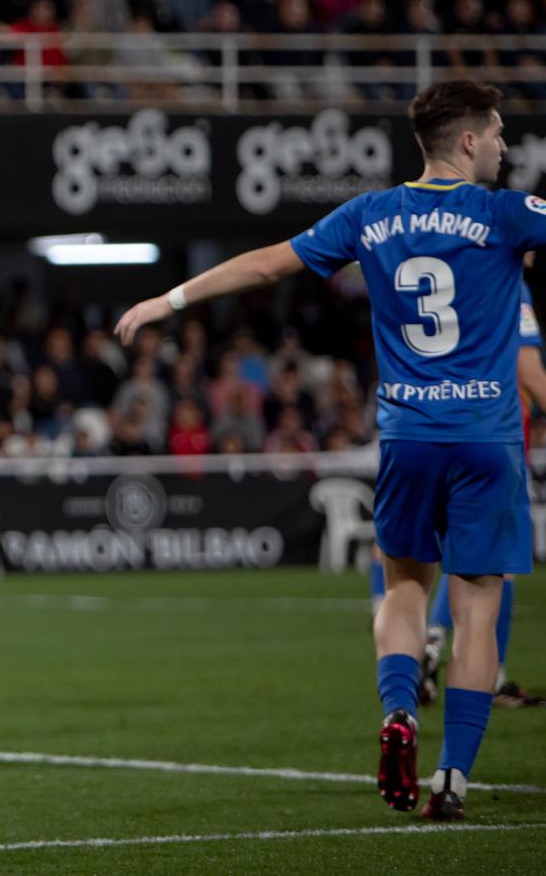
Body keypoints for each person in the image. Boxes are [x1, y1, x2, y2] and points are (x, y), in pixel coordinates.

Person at [116, 80, 546, 822]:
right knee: (477, 604)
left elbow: (263, 265)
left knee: (405, 588)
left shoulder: (370, 215)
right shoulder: (507, 214)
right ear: (469, 140)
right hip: (488, 439)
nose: (507, 146)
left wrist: (169, 301)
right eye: (500, 133)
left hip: (408, 437)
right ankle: (452, 780)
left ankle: (399, 713)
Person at [412, 282, 545, 709]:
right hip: (495, 437)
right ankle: (493, 677)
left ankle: (430, 637)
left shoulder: (458, 265)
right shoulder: (509, 282)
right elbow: (529, 372)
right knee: (495, 566)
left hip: (434, 428)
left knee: (458, 556)